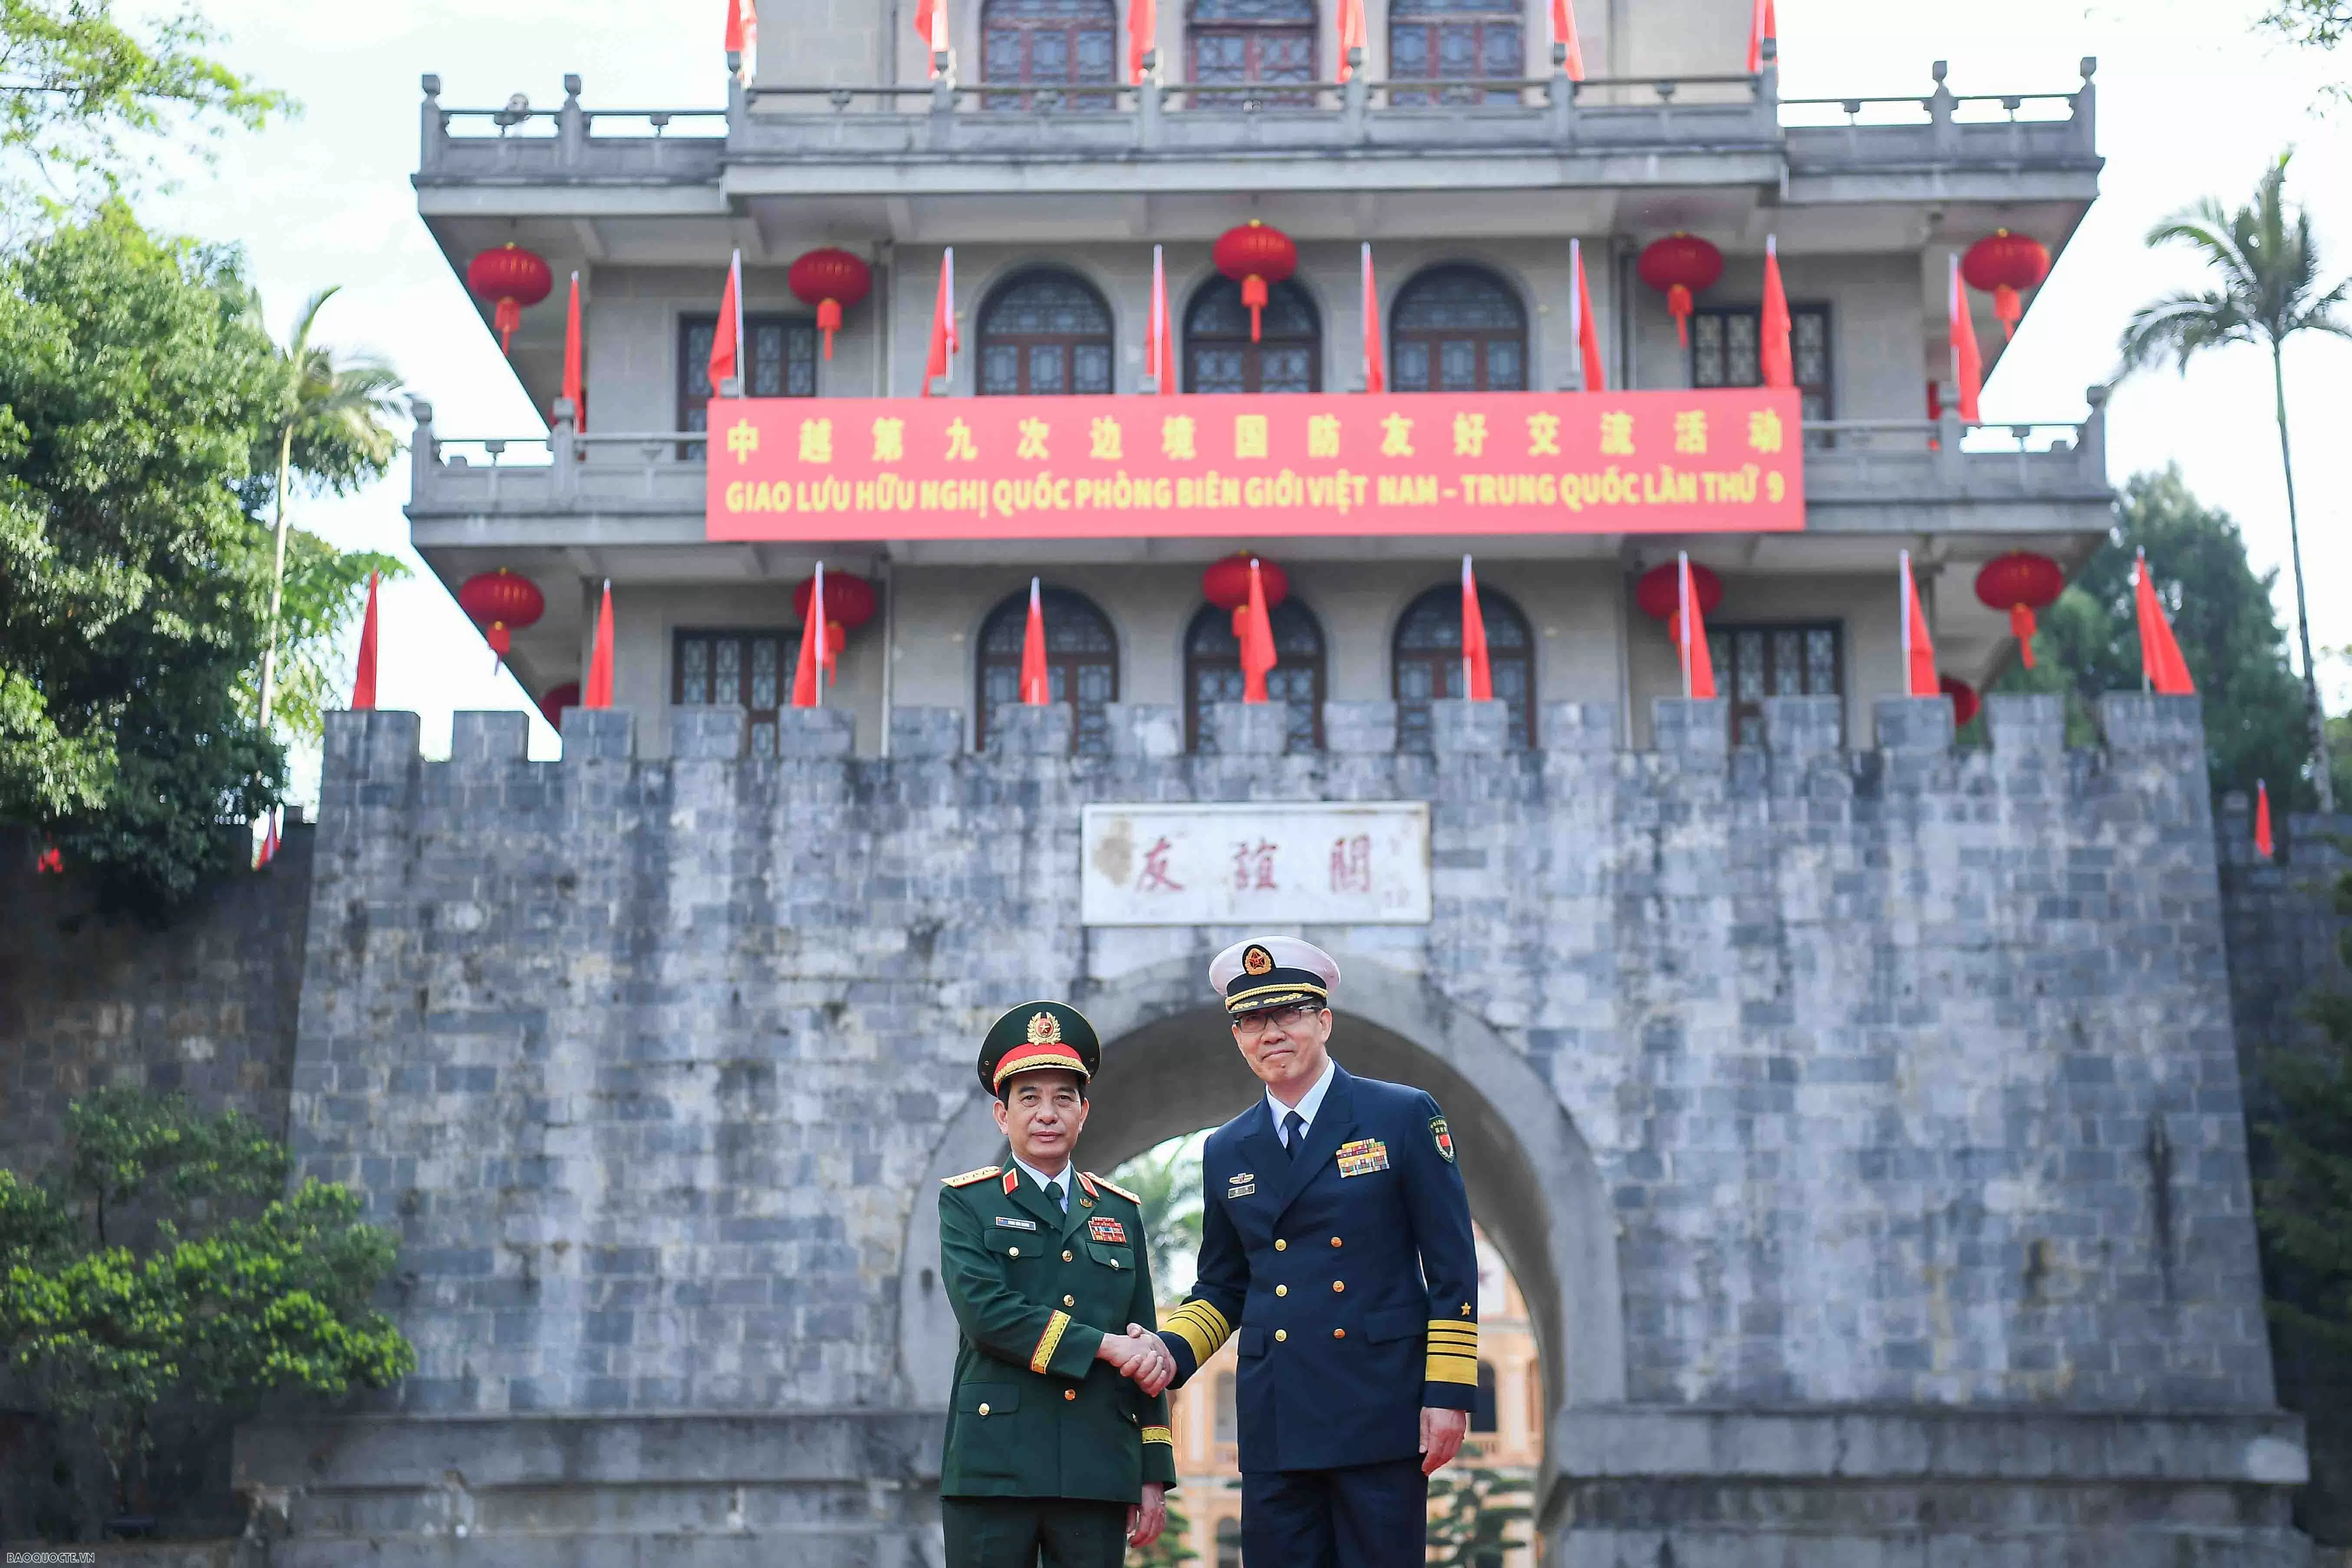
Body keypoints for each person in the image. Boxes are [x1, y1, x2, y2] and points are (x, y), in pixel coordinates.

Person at [1146, 939, 1477, 1568]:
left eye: (1288, 1014)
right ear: (1238, 1037)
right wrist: (1170, 1351)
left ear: (1323, 1021)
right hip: (1276, 1413)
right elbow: (1223, 1286)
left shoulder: (1400, 1115)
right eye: (1250, 1021)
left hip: (1380, 1404)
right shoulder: (1226, 1148)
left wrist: (1449, 1393)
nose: (1270, 1033)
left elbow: (1451, 1265)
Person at [936, 999, 1179, 1568]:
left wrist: (1152, 1474)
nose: (1046, 1114)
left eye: (1062, 1098)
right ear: (1002, 1115)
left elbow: (1144, 1343)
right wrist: (1103, 1345)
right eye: (1029, 1098)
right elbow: (986, 1315)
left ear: (1083, 1112)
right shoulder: (967, 1202)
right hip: (993, 1468)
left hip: (1097, 1468)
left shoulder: (1120, 1214)